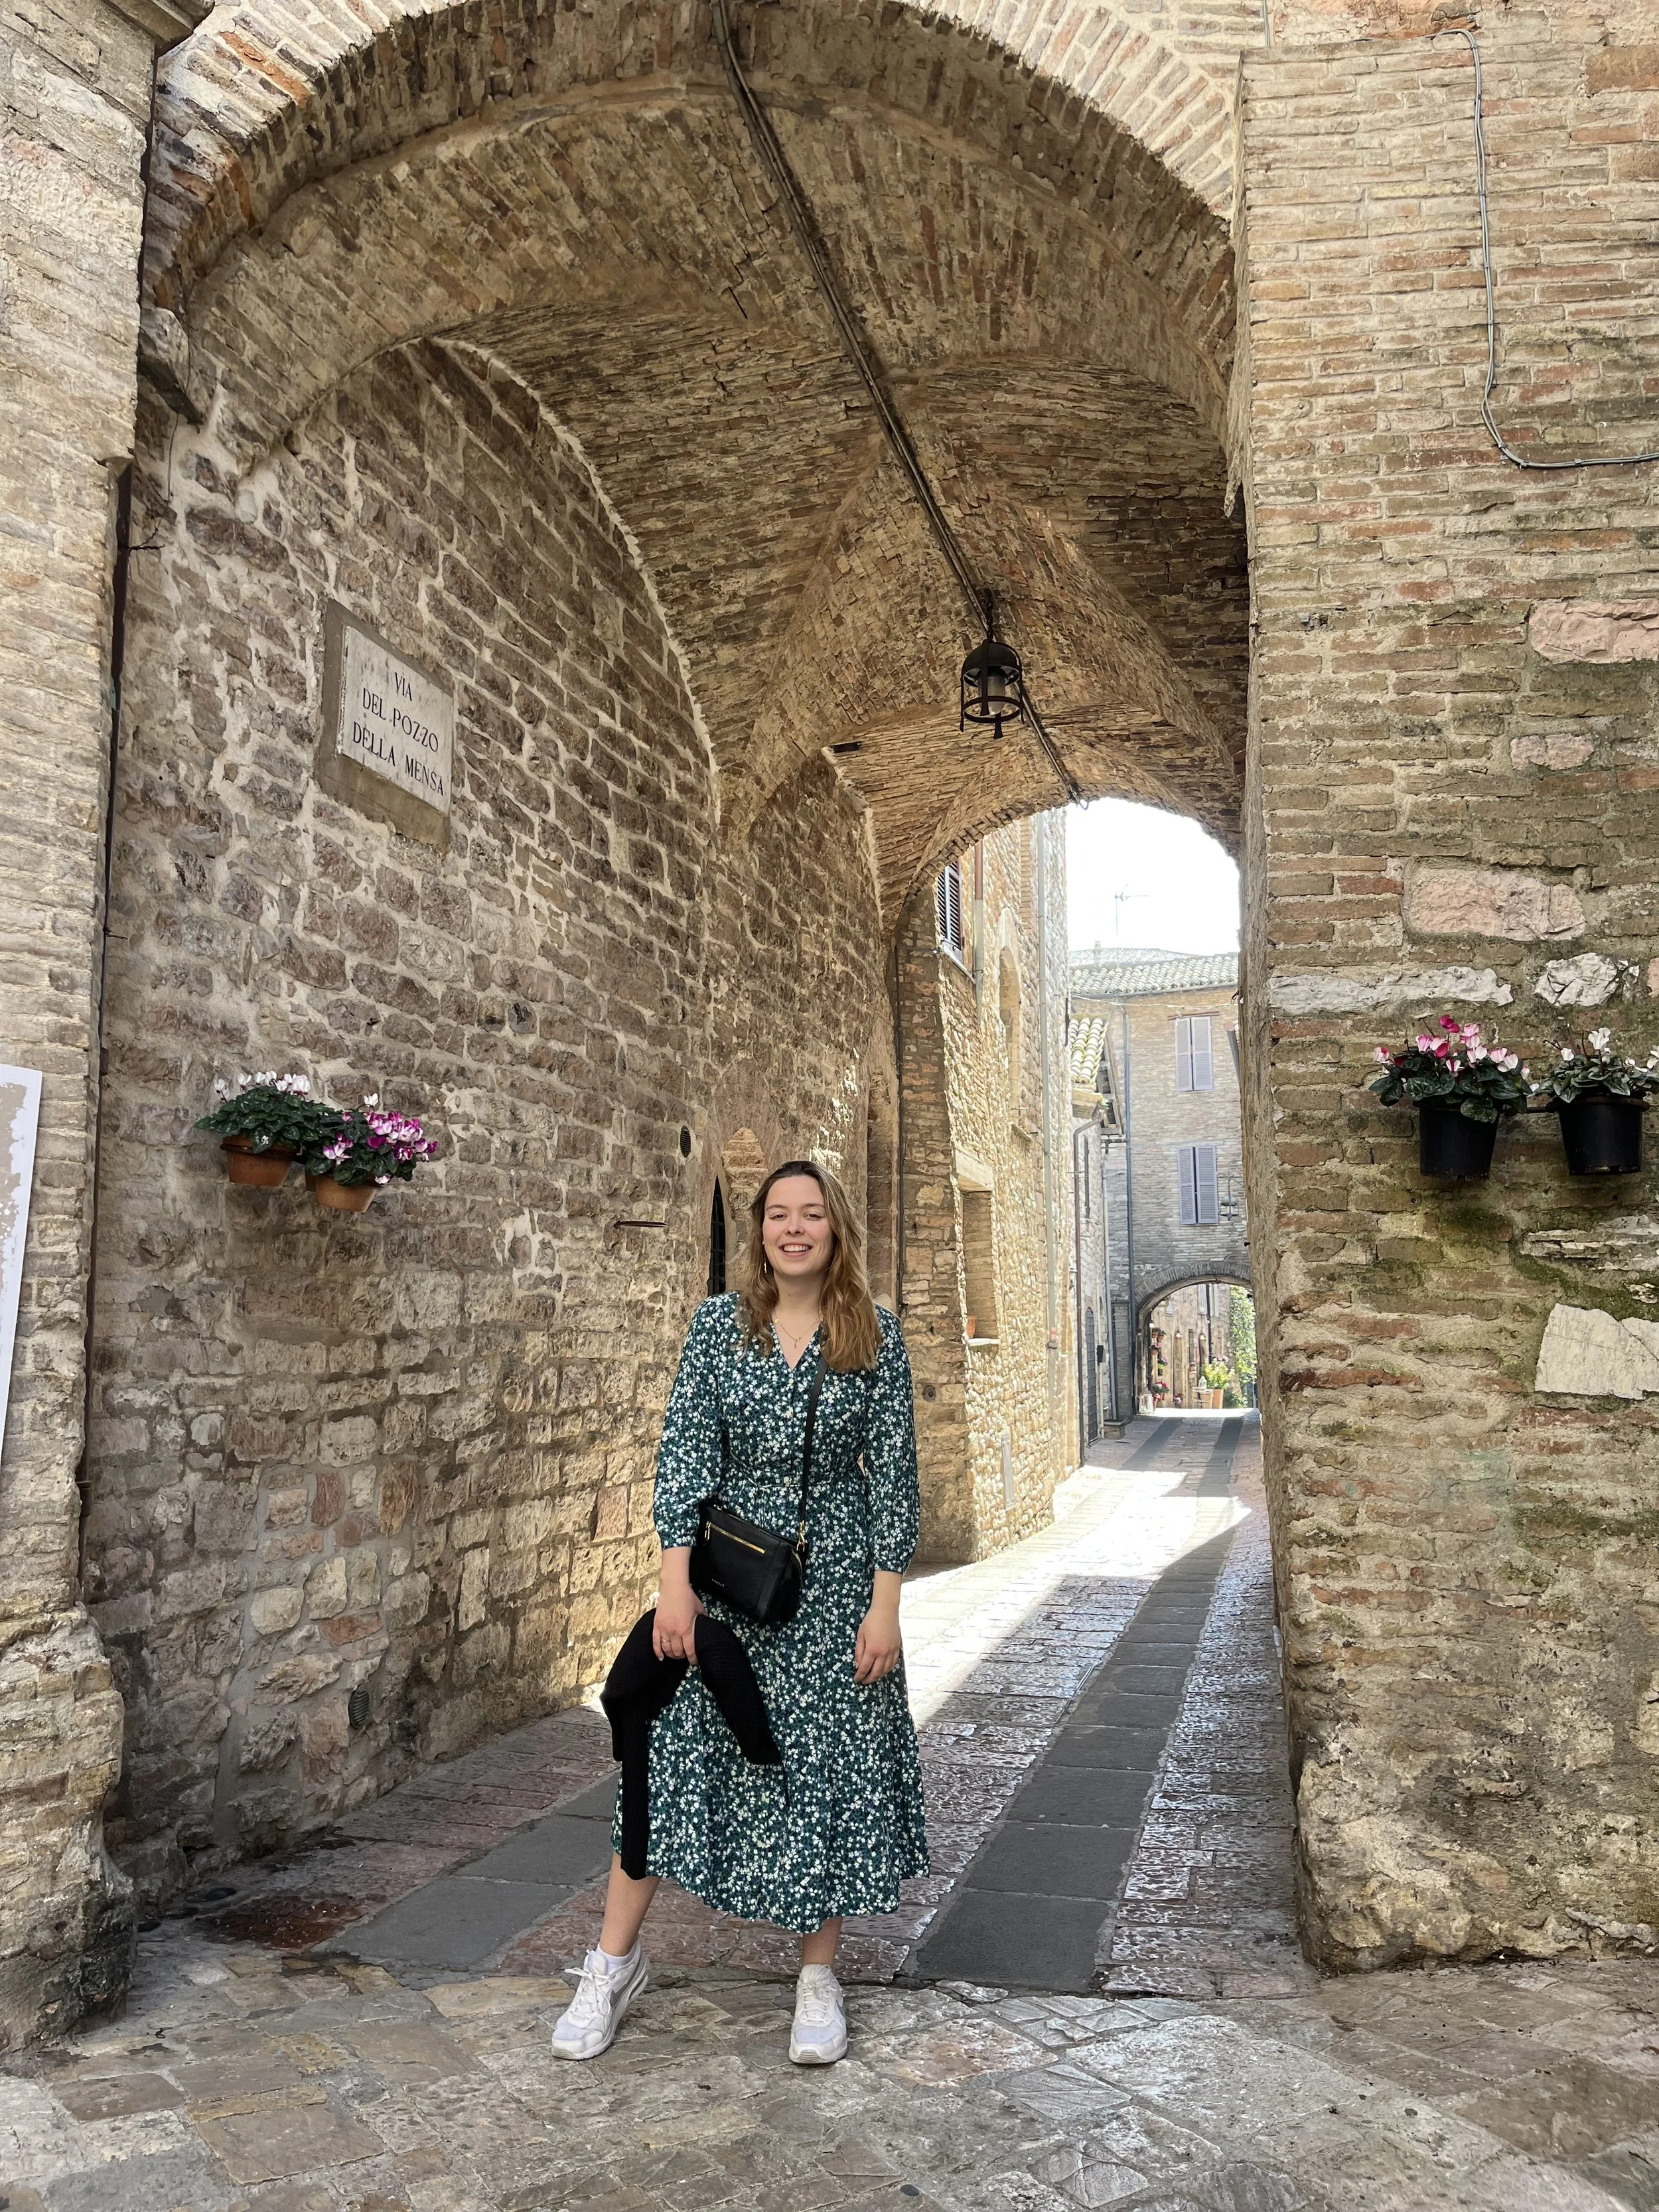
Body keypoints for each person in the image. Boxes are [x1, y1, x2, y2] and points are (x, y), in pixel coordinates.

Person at [551, 1157, 928, 2065]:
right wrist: (671, 1584)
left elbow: (895, 1481)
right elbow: (683, 1457)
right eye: (776, 1216)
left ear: (836, 1227)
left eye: (811, 1214)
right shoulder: (719, 1326)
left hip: (834, 1586)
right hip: (723, 1585)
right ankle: (612, 1964)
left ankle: (816, 1977)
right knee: (666, 1755)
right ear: (759, 1231)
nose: (793, 1229)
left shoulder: (873, 1334)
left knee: (823, 1770)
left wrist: (886, 1607)